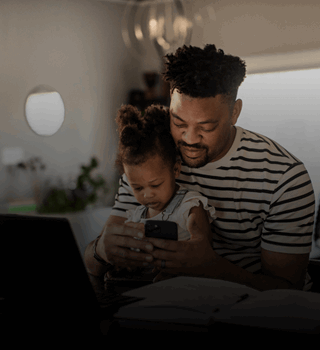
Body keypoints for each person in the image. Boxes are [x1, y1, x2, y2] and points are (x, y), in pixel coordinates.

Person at [84, 44, 315, 291]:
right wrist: (100, 251)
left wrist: (209, 268)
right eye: (178, 122)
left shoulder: (284, 177)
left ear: (235, 112)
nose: (190, 139)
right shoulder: (152, 158)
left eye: (206, 127)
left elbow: (287, 291)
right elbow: (94, 263)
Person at [105, 104, 215, 282]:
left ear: (176, 169)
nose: (147, 195)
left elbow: (202, 249)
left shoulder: (190, 206)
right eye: (138, 188)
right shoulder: (135, 217)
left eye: (155, 185)